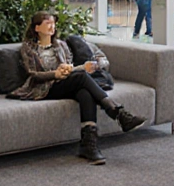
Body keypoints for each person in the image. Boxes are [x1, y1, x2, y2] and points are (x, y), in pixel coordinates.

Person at [10, 12, 145, 164]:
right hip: (42, 88)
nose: (52, 26)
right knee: (81, 77)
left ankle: (89, 145)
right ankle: (117, 112)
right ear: (36, 28)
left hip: (65, 82)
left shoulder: (61, 45)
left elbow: (69, 66)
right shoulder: (28, 48)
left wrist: (73, 69)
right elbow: (33, 74)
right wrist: (55, 74)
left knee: (85, 92)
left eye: (53, 23)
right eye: (47, 23)